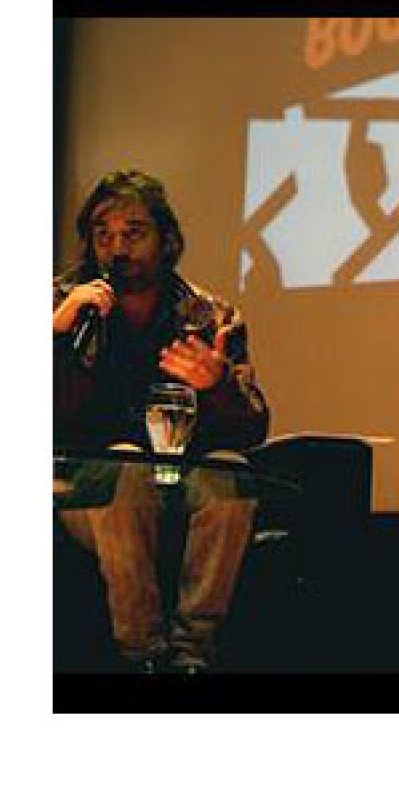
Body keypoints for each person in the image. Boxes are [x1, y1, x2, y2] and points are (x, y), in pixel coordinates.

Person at [53, 169, 270, 674]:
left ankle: (192, 653)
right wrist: (55, 334)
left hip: (180, 482)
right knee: (125, 463)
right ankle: (143, 654)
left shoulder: (209, 317)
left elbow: (252, 428)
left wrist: (216, 387)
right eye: (103, 235)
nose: (117, 248)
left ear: (167, 240)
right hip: (84, 488)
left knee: (231, 473)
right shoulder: (60, 306)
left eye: (133, 233)